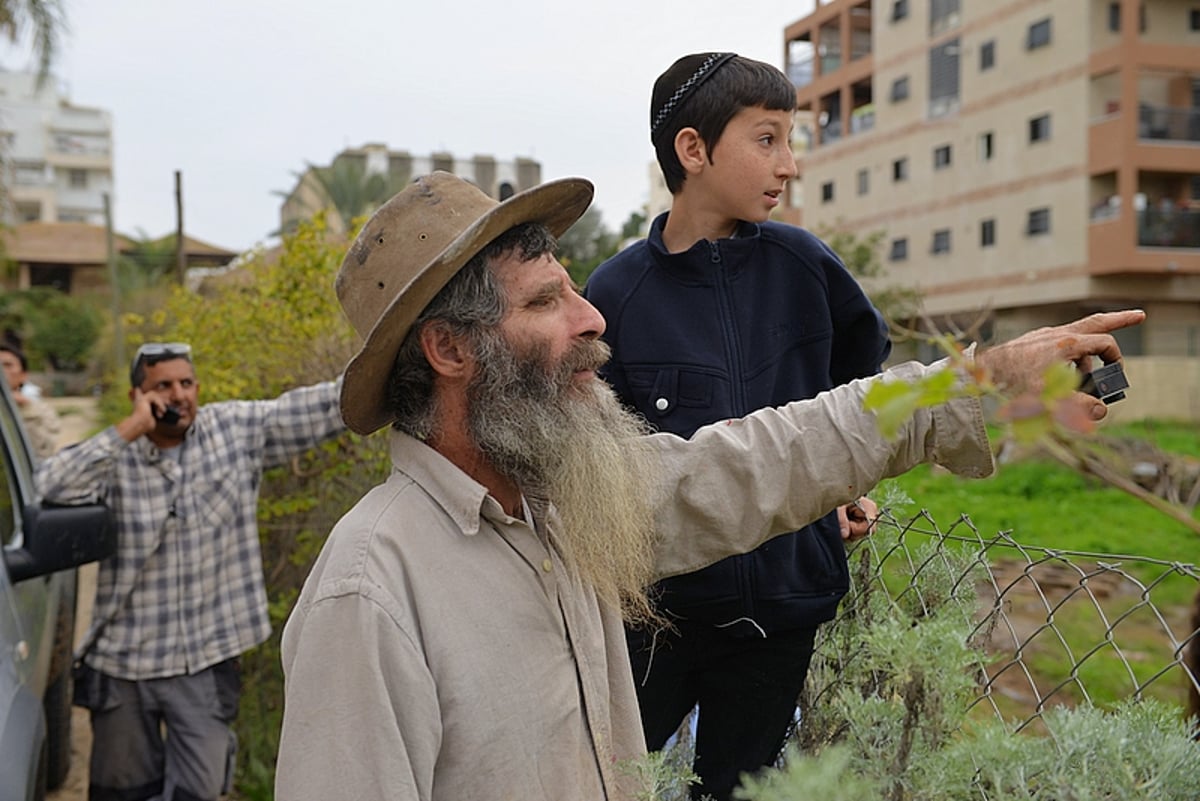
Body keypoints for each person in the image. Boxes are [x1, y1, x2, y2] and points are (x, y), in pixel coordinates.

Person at [273, 171, 1142, 801]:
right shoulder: (373, 594)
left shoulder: (562, 505)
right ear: (452, 351)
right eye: (544, 302)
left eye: (575, 288)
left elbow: (769, 456)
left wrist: (979, 382)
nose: (592, 317)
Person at [584, 51, 889, 799]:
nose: (788, 163)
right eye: (767, 139)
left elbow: (863, 387)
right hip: (655, 620)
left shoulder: (807, 266)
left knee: (741, 790)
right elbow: (592, 453)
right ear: (693, 150)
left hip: (781, 617)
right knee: (602, 781)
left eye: (792, 139)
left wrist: (845, 482)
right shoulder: (616, 293)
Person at [36, 342, 346, 801]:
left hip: (205, 655)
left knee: (199, 789)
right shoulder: (116, 455)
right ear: (138, 395)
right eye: (163, 385)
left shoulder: (234, 431)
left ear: (198, 388)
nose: (178, 394)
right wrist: (130, 430)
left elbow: (317, 407)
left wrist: (388, 361)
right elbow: (49, 483)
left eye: (185, 383)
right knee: (122, 791)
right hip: (127, 662)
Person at [0, 341, 61, 459]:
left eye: (7, 365)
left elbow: (43, 452)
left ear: (23, 375)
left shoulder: (41, 411)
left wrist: (27, 410)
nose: (2, 371)